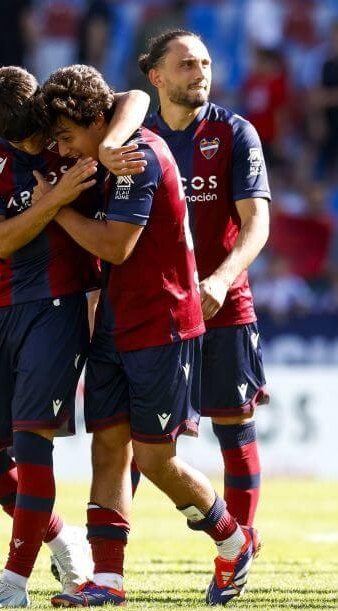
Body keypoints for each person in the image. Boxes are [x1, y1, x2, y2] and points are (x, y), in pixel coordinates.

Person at [38, 64, 258, 608]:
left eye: (67, 137)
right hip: (116, 321)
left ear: (94, 122)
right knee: (107, 448)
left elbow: (115, 246)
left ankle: (233, 541)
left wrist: (56, 204)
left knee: (155, 460)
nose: (64, 151)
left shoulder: (140, 156)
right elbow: (129, 96)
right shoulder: (104, 150)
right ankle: (108, 581)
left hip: (164, 323)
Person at [0, 65, 150, 608]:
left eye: (42, 135)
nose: (39, 145)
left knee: (31, 440)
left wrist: (110, 145)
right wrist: (59, 196)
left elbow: (134, 96)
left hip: (61, 304)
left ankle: (14, 582)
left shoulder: (65, 127)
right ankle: (63, 541)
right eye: (23, 140)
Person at [138, 29, 271, 529]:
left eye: (206, 64)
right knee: (138, 437)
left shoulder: (235, 132)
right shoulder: (135, 139)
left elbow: (257, 222)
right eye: (187, 65)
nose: (200, 74)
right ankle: (110, 563)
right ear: (157, 76)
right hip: (155, 309)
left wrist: (218, 280)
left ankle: (241, 548)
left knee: (235, 427)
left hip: (223, 301)